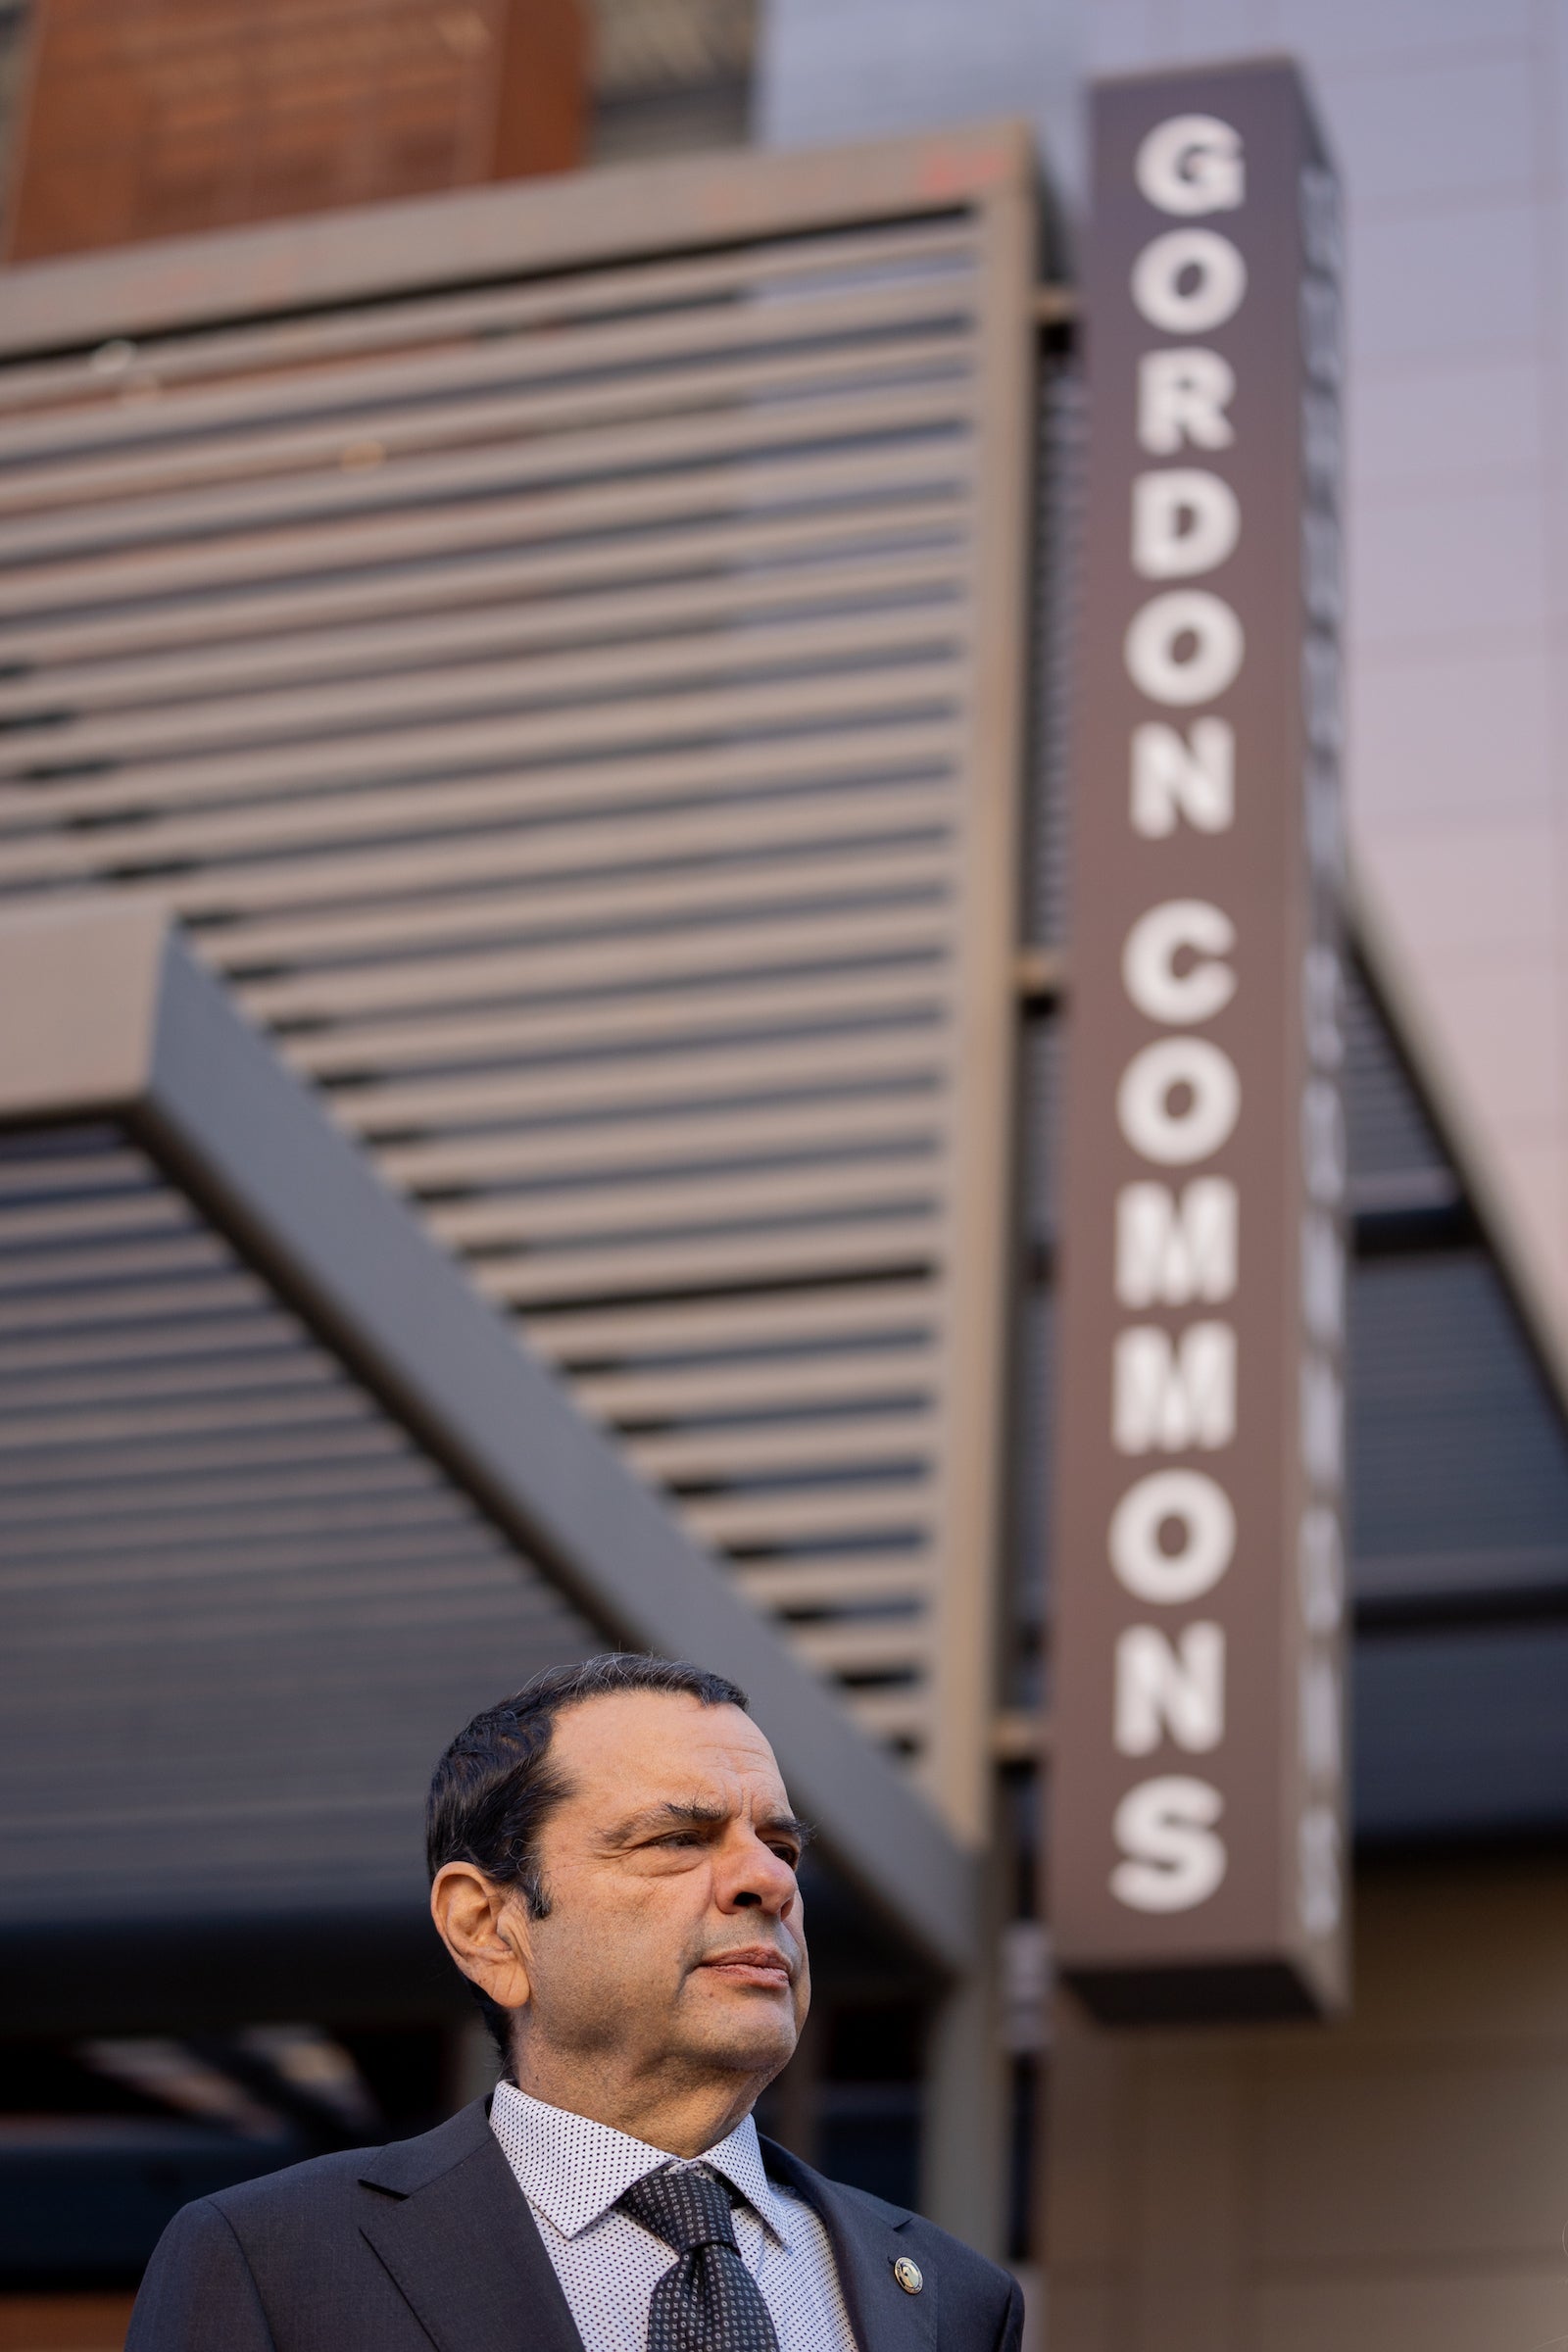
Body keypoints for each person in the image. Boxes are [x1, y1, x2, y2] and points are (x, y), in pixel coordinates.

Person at [125, 1652, 1023, 2350]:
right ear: (487, 1926)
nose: (768, 1881)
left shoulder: (953, 2296)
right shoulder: (273, 2262)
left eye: (780, 1845)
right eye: (678, 1838)